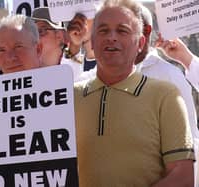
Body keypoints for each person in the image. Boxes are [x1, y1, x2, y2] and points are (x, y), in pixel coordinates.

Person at [74, 0, 194, 186]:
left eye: (122, 30)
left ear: (141, 42)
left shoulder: (167, 95)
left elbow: (183, 176)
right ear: (92, 41)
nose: (111, 37)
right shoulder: (69, 98)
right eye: (103, 31)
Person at [135, 5, 199, 139]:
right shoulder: (104, 74)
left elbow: (188, 139)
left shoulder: (170, 76)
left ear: (145, 31)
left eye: (122, 29)